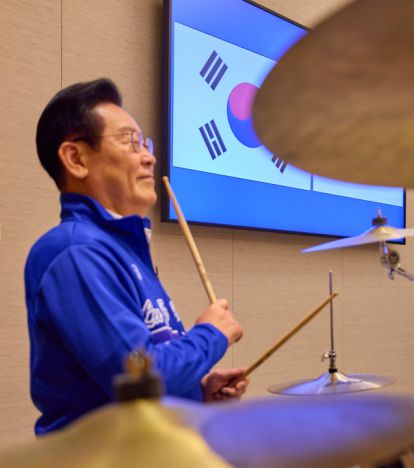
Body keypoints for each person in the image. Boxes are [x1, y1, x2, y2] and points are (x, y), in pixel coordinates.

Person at [26, 78, 248, 435]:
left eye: (145, 143)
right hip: (102, 466)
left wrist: (196, 393)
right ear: (76, 159)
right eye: (131, 142)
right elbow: (139, 378)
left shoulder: (119, 248)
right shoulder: (75, 252)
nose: (149, 156)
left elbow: (149, 377)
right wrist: (211, 334)